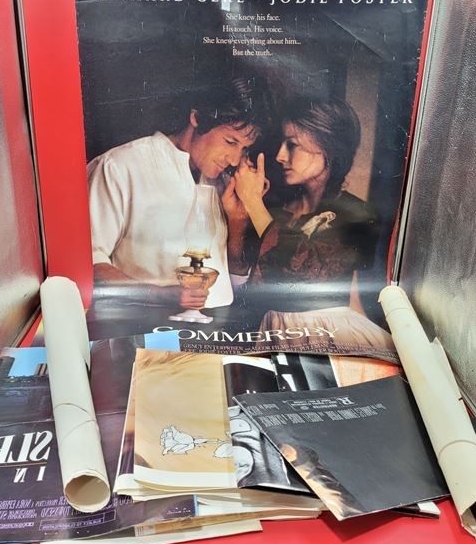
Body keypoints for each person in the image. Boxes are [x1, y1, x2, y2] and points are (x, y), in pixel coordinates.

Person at [87, 76, 272, 311]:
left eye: (244, 149)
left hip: (218, 324)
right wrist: (158, 295)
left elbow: (235, 283)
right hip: (143, 323)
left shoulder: (225, 184)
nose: (235, 159)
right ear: (196, 118)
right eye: (230, 141)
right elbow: (88, 263)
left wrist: (238, 221)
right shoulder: (121, 166)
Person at [232, 96, 395, 352]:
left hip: (325, 337)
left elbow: (300, 270)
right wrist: (236, 215)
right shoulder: (278, 210)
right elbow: (245, 283)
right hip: (272, 332)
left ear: (328, 148)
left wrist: (252, 201)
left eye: (292, 145)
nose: (280, 156)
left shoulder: (356, 212)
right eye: (282, 144)